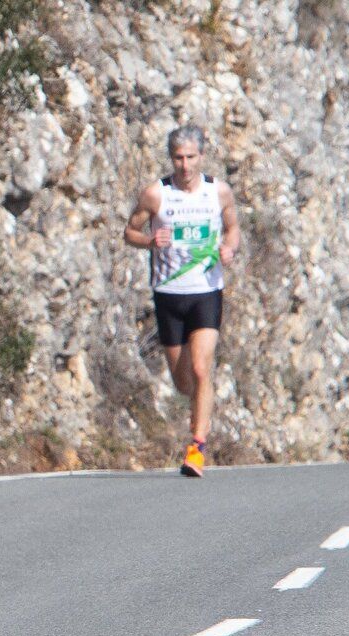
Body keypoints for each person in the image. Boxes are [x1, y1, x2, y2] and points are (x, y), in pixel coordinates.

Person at [123, 125, 240, 477]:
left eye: (190, 157)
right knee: (183, 381)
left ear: (201, 157)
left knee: (203, 368)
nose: (185, 165)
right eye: (178, 158)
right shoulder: (156, 195)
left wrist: (229, 248)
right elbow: (129, 231)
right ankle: (196, 411)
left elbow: (233, 227)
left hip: (206, 291)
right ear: (171, 158)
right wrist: (148, 241)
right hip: (169, 295)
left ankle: (197, 447)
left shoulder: (217, 192)